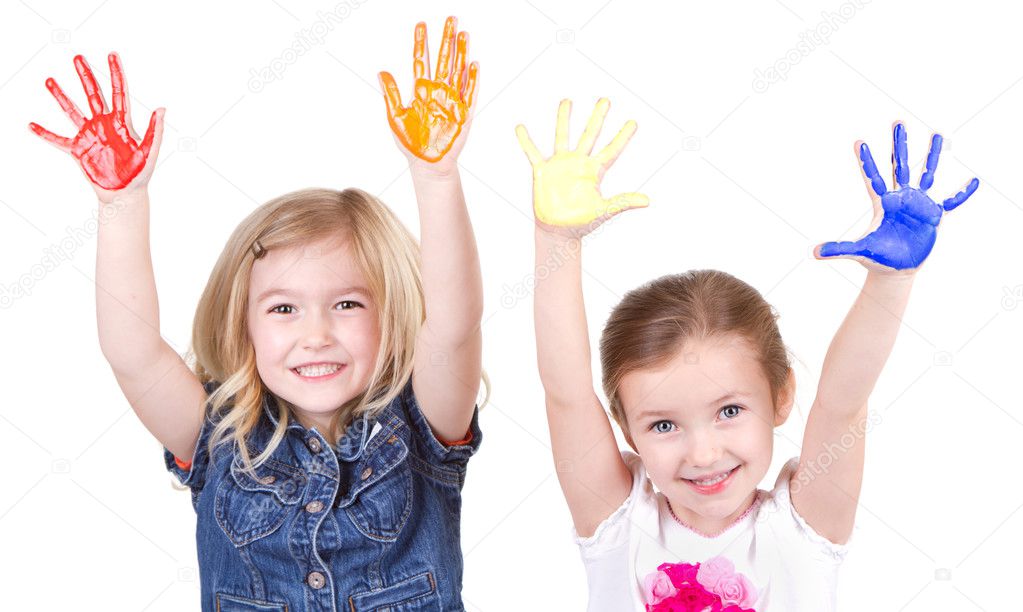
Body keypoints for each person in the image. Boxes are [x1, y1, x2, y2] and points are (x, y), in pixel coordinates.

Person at [29, 16, 485, 610]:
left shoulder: (424, 423)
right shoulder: (216, 433)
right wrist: (121, 203)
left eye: (347, 304)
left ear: (394, 314)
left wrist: (437, 175)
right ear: (242, 324)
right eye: (284, 309)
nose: (316, 334)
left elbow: (453, 327)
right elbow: (132, 352)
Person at [518, 100, 978, 610]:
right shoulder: (619, 524)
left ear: (781, 397)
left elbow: (843, 401)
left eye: (730, 411)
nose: (703, 454)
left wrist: (890, 284)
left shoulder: (804, 530)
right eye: (664, 425)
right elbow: (566, 393)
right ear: (626, 430)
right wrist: (555, 240)